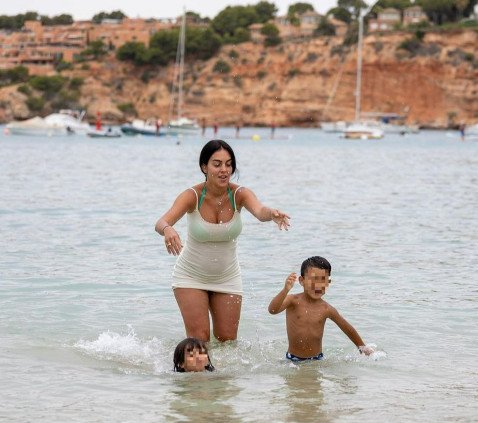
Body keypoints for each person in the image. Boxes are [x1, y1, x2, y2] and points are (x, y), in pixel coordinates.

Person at [155, 139, 291, 342]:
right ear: (204, 167)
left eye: (228, 164)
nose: (224, 170)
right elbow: (162, 221)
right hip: (190, 276)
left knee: (228, 341)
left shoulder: (240, 194)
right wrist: (168, 229)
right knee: (199, 339)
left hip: (228, 277)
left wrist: (271, 213)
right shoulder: (192, 195)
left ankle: (221, 376)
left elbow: (260, 211)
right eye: (217, 164)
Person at [268, 256, 373, 361]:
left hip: (317, 360)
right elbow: (272, 310)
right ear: (301, 281)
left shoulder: (326, 309)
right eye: (313, 280)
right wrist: (285, 290)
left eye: (323, 280)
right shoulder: (293, 300)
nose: (318, 285)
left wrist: (362, 347)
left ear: (328, 283)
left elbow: (346, 328)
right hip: (292, 359)